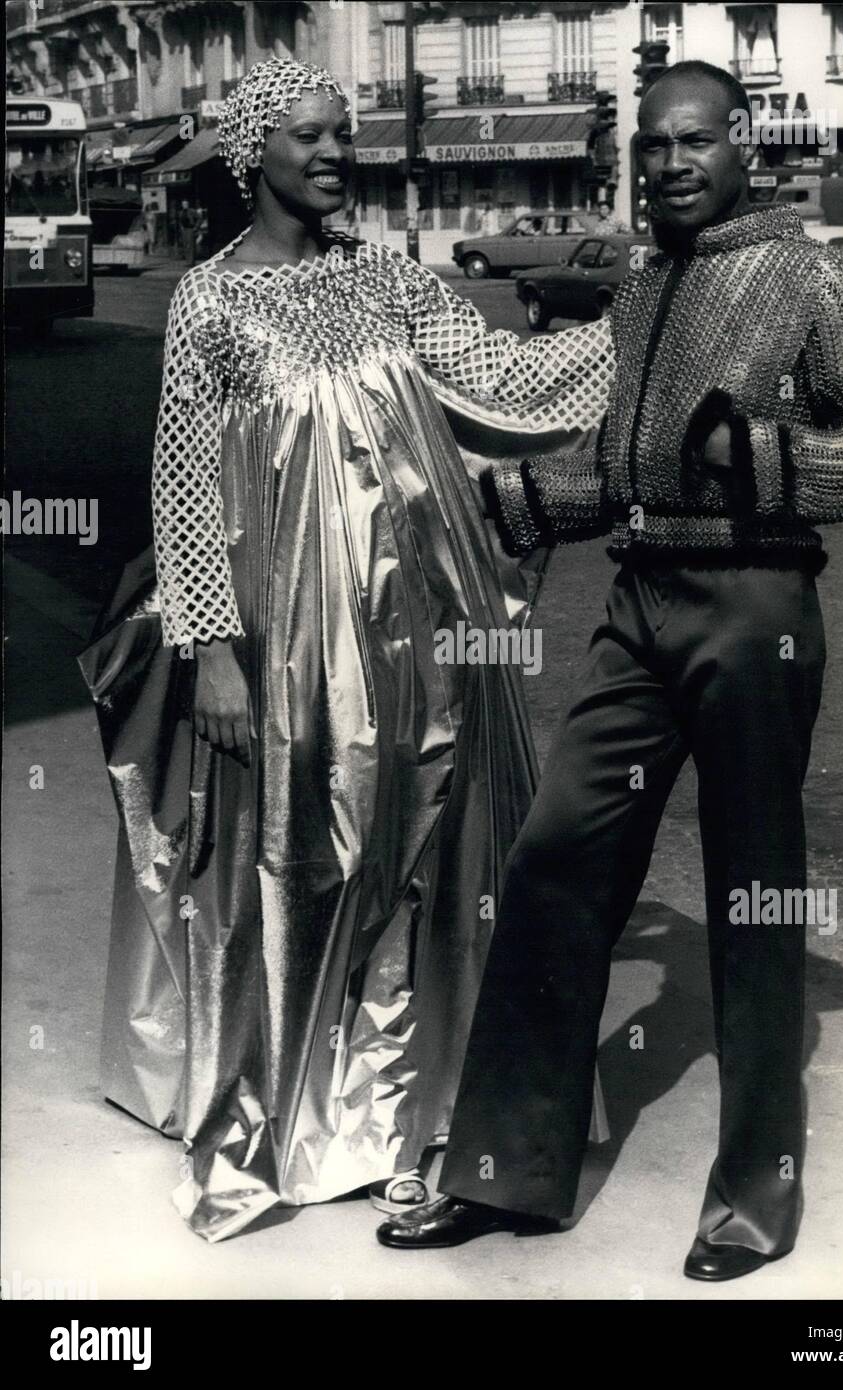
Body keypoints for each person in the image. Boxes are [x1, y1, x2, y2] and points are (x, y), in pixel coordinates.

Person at [376, 60, 843, 1278]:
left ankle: (753, 1199)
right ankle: (507, 1174)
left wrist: (759, 459)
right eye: (654, 149)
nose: (671, 165)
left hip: (754, 605)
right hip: (638, 599)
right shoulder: (641, 290)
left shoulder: (815, 278)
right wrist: (508, 499)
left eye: (695, 144)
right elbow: (624, 469)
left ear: (743, 147)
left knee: (750, 893)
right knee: (556, 857)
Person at [79, 58, 613, 1243]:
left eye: (343, 136)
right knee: (308, 853)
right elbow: (181, 484)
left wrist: (633, 329)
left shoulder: (390, 277)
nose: (335, 154)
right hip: (288, 645)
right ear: (252, 155)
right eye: (312, 137)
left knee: (427, 835)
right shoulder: (209, 303)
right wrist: (210, 645)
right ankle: (308, 1107)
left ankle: (418, 1110)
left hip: (426, 618)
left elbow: (504, 377)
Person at [178, 200, 201, 264]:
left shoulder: (192, 211)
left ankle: (191, 261)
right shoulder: (181, 212)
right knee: (185, 245)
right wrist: (181, 227)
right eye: (183, 204)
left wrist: (196, 227)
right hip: (184, 230)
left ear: (188, 204)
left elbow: (199, 218)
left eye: (186, 204)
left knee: (191, 245)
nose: (184, 205)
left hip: (190, 229)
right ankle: (187, 261)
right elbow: (180, 221)